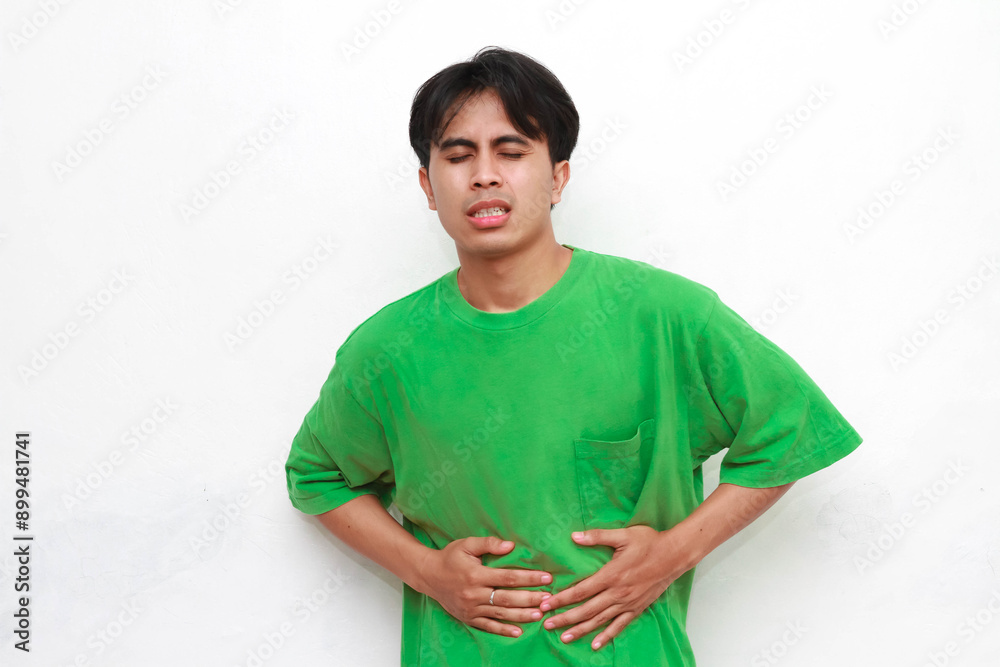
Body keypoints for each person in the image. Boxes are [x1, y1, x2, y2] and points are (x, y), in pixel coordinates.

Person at [284, 46, 863, 666]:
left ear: (558, 176)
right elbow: (317, 475)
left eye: (511, 152)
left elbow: (790, 429)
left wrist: (671, 554)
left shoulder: (661, 314)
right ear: (429, 185)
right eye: (458, 156)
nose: (484, 175)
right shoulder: (388, 349)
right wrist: (428, 571)